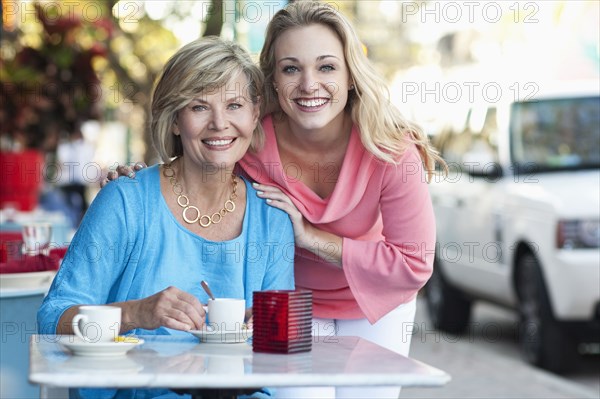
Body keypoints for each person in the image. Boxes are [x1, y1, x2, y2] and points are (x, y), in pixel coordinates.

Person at [108, 2, 446, 397]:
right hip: (288, 301)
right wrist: (139, 179)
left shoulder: (389, 149)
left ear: (351, 74)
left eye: (326, 67)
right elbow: (198, 160)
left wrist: (312, 238)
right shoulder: (251, 140)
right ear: (271, 79)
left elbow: (414, 264)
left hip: (375, 301)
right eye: (291, 68)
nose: (308, 84)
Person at [38, 37, 294, 399]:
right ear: (175, 121)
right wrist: (135, 313)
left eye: (234, 105)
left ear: (254, 115)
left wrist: (264, 328)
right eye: (198, 107)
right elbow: (52, 319)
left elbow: (280, 351)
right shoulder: (125, 202)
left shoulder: (272, 218)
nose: (219, 124)